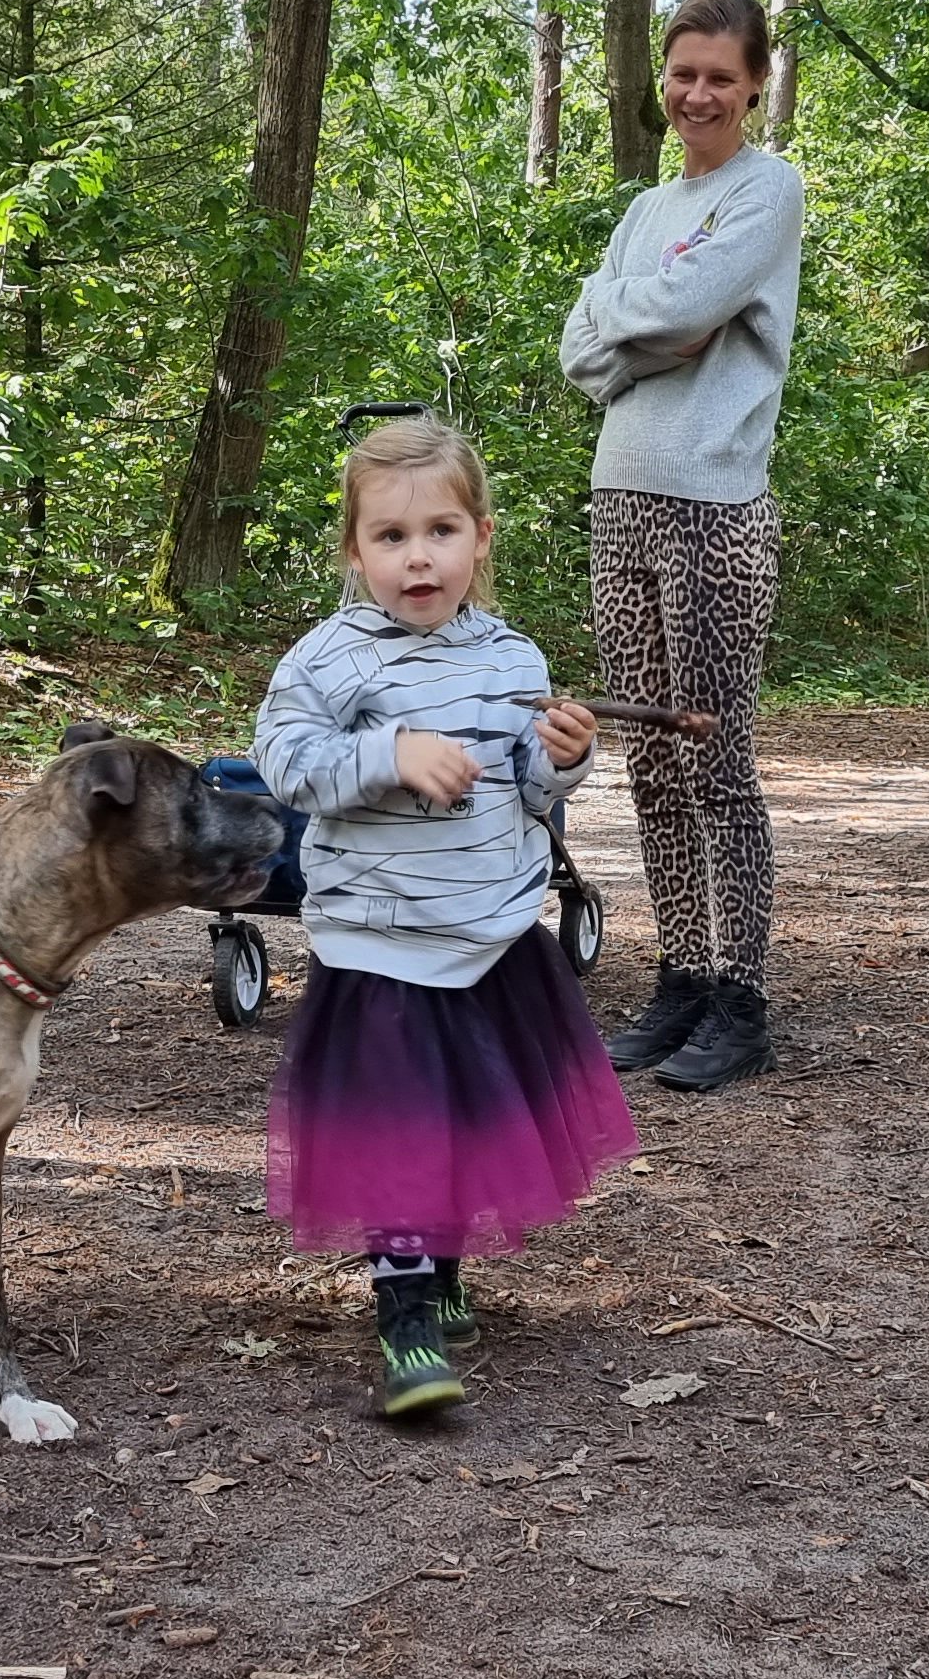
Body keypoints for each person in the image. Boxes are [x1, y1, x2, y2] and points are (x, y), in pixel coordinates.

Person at [253, 415, 645, 1419]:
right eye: (389, 536)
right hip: (381, 940)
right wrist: (387, 754)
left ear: (480, 539)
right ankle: (406, 1317)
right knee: (398, 1123)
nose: (416, 554)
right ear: (355, 551)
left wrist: (559, 757)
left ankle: (445, 1259)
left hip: (489, 935)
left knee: (468, 1111)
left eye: (439, 530)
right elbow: (286, 766)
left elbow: (530, 791)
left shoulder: (512, 657)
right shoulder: (327, 661)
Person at [559, 0, 803, 1095]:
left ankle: (740, 998)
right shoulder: (643, 210)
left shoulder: (770, 189)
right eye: (681, 72)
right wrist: (654, 321)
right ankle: (680, 977)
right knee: (650, 757)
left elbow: (683, 306)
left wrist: (647, 315)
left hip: (714, 509)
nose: (696, 92)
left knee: (715, 755)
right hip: (620, 499)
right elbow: (585, 349)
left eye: (719, 75)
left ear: (753, 82)